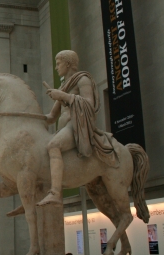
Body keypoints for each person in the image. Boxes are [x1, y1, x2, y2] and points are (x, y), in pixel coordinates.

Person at [38, 50, 118, 207]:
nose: (56, 67)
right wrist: (30, 117)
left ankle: (55, 192)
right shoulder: (64, 86)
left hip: (75, 126)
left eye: (58, 63)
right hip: (62, 127)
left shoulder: (83, 80)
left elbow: (89, 103)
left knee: (53, 145)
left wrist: (63, 96)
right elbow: (51, 117)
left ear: (68, 64)